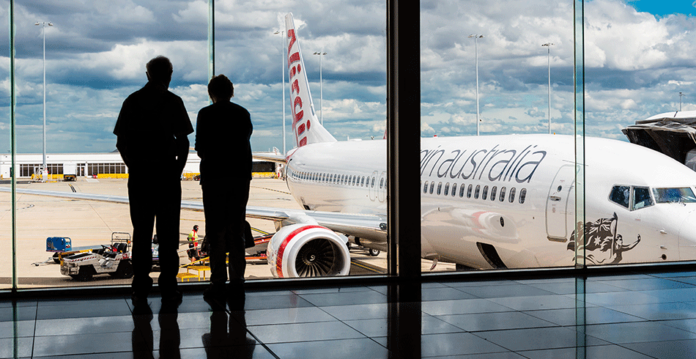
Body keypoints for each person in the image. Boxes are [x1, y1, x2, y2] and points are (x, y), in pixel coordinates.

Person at [114, 56, 193, 306]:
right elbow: (184, 141)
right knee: (168, 236)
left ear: (147, 75)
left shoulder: (132, 101)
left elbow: (121, 142)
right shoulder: (173, 101)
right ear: (169, 74)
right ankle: (169, 285)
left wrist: (135, 166)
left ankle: (140, 285)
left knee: (142, 234)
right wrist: (176, 170)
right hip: (167, 177)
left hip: (140, 178)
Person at [195, 74, 253, 306]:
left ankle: (218, 282)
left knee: (216, 232)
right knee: (236, 231)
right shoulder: (242, 113)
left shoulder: (205, 114)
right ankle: (237, 281)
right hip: (239, 179)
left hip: (214, 179)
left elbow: (200, 148)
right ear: (231, 92)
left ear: (211, 94)